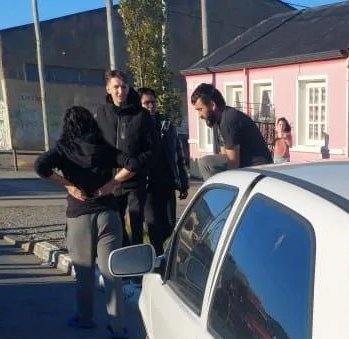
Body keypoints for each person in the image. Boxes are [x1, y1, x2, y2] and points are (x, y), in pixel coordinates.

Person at [34, 106, 136, 339]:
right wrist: (111, 185)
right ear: (91, 123)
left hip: (79, 215)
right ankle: (118, 326)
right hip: (109, 214)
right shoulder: (104, 148)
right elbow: (133, 163)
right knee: (112, 273)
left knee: (84, 272)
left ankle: (85, 317)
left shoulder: (63, 149)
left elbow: (40, 165)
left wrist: (67, 184)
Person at [95, 69, 157, 247]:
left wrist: (137, 163)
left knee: (137, 221)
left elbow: (152, 149)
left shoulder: (141, 115)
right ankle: (121, 256)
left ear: (129, 88)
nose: (120, 91)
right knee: (115, 222)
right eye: (116, 87)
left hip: (134, 179)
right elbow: (95, 143)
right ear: (108, 88)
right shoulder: (101, 112)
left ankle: (138, 260)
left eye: (124, 87)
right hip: (110, 180)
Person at [138, 87, 189, 253]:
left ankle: (160, 252)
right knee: (153, 224)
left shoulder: (167, 125)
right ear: (139, 105)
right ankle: (158, 259)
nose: (151, 106)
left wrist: (183, 181)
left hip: (167, 182)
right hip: (146, 185)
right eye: (147, 103)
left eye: (153, 102)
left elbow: (179, 155)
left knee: (169, 226)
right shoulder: (136, 127)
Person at [190, 83, 272, 177]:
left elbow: (233, 162)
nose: (200, 115)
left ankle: (217, 192)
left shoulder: (228, 119)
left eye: (200, 109)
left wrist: (229, 185)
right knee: (211, 163)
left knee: (205, 163)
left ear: (212, 105)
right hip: (245, 164)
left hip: (258, 169)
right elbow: (224, 154)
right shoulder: (218, 121)